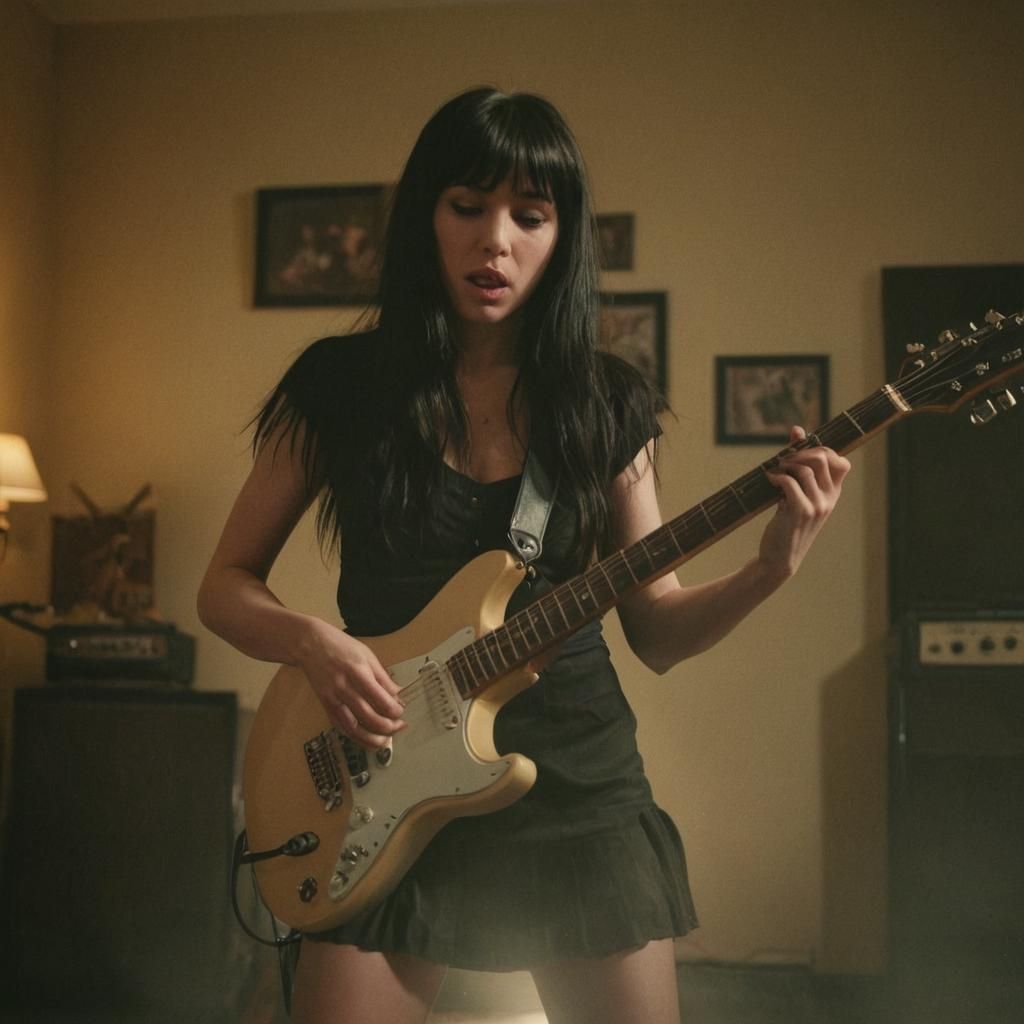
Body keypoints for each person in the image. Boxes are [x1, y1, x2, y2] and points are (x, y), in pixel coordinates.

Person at [198, 87, 850, 1024]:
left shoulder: (606, 402)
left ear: (563, 234)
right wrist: (311, 642)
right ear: (425, 216)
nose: (495, 241)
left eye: (529, 216)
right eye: (467, 206)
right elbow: (223, 587)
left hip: (577, 789)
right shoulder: (338, 386)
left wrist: (767, 569)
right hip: (382, 769)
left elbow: (657, 631)